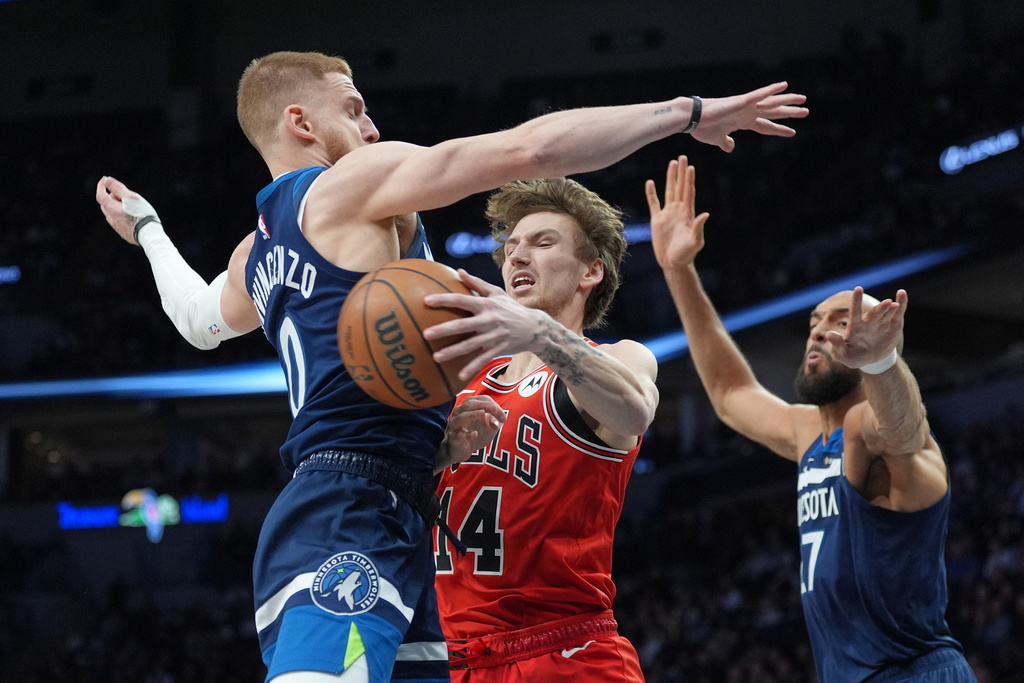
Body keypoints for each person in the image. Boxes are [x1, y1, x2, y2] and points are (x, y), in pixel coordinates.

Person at [94, 50, 807, 683]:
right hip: (349, 501)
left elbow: (197, 320)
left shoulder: (256, 254)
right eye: (355, 110)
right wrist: (689, 113)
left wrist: (151, 231)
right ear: (301, 123)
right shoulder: (352, 186)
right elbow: (529, 149)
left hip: (407, 517)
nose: (372, 130)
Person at [645, 156, 977, 682]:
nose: (818, 331)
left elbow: (904, 432)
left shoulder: (866, 427)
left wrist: (882, 363)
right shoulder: (808, 432)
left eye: (839, 321)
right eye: (813, 322)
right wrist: (678, 271)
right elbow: (731, 393)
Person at [423, 177, 657, 681]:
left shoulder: (617, 360)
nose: (516, 256)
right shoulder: (463, 389)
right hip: (454, 659)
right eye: (510, 247)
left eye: (542, 243)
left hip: (566, 653)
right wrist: (438, 459)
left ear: (590, 271)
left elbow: (635, 410)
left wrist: (540, 333)